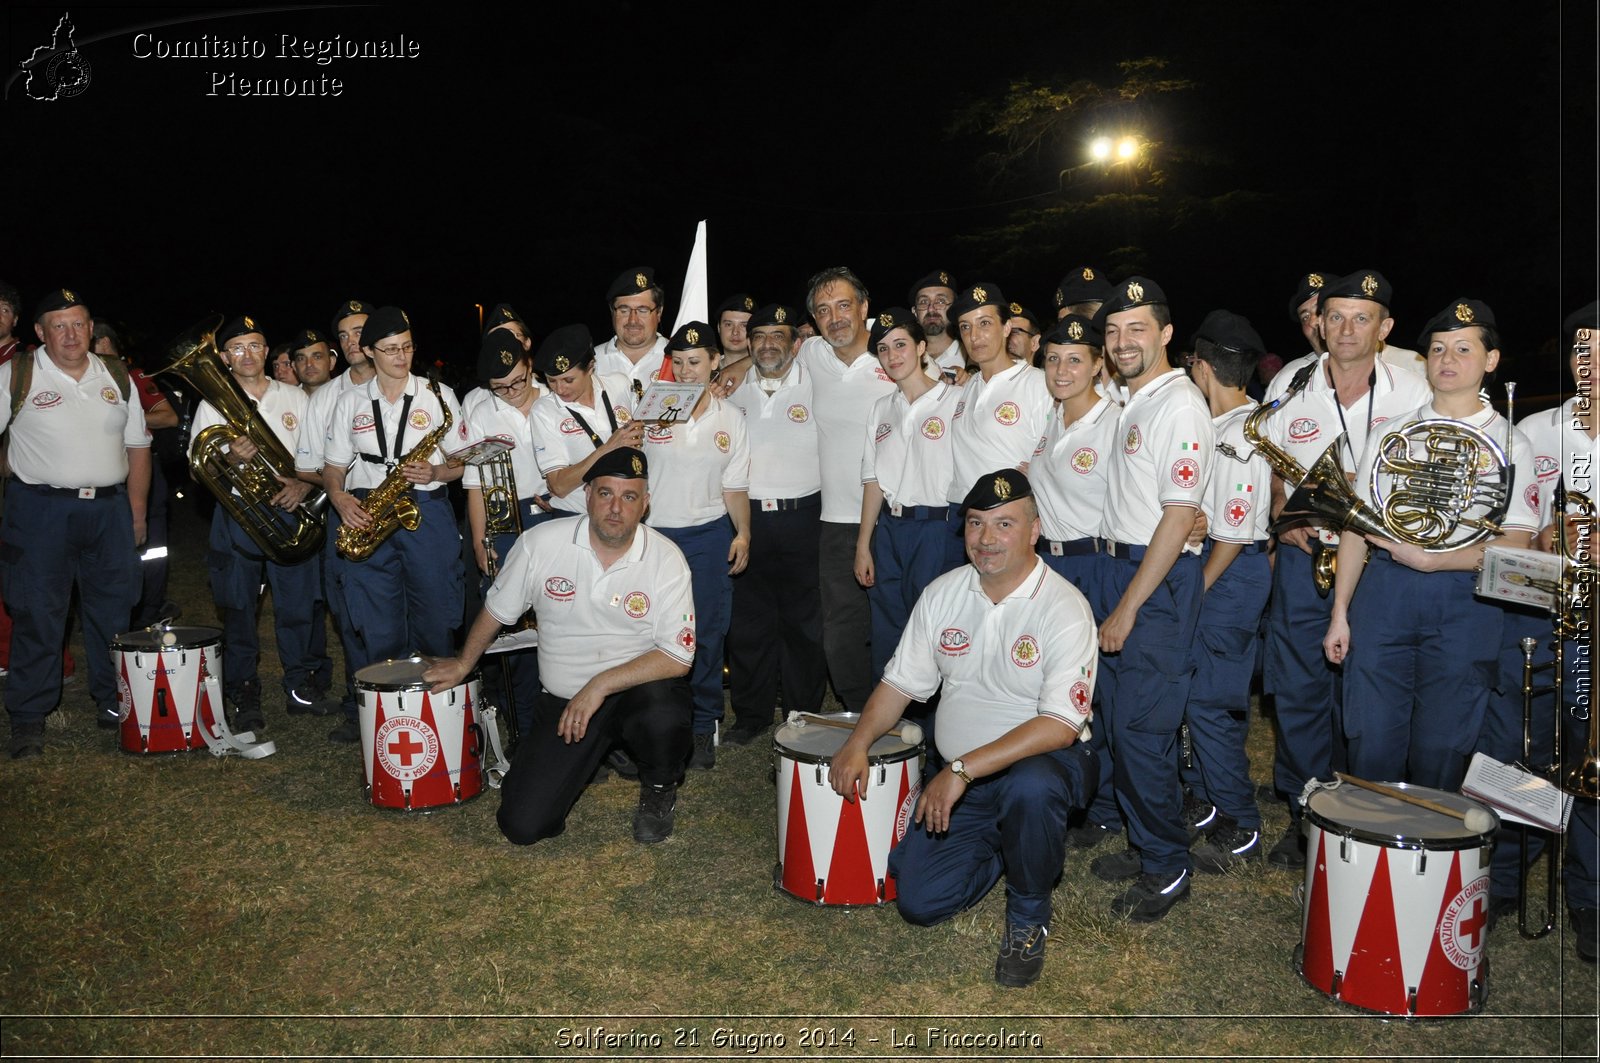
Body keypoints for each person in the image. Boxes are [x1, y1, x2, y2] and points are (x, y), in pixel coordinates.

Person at [829, 469, 1098, 988]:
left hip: (1045, 765)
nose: (987, 539)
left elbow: (1060, 726)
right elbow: (899, 685)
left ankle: (1027, 915)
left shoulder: (1064, 607)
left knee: (1031, 786)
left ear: (1034, 530)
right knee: (920, 903)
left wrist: (959, 769)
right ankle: (1008, 844)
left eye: (1004, 524)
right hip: (964, 781)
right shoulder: (943, 593)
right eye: (976, 524)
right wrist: (856, 743)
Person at [424, 447, 695, 845]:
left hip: (636, 694)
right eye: (606, 494)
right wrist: (465, 663)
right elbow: (497, 609)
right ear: (587, 495)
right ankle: (598, 753)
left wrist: (600, 684)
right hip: (565, 702)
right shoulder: (542, 543)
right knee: (522, 825)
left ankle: (658, 788)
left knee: (664, 714)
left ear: (646, 503)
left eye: (629, 496)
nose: (616, 508)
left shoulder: (666, 559)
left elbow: (678, 655)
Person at [1322, 298, 1538, 791]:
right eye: (1438, 348)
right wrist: (1340, 611)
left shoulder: (1511, 442)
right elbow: (1357, 528)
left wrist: (1433, 559)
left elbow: (1515, 544)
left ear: (1491, 361)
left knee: (1444, 743)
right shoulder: (1392, 434)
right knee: (1371, 735)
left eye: (1463, 349)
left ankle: (1431, 860)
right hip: (1384, 593)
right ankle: (1375, 853)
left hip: (1468, 597)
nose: (1446, 359)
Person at [1258, 270, 1431, 867]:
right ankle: (1306, 812)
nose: (1346, 329)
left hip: (1380, 562)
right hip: (1307, 558)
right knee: (1301, 689)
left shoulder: (1414, 390)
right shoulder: (1289, 382)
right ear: (1319, 324)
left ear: (1385, 328)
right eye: (1335, 316)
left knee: (1368, 694)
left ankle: (1362, 807)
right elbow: (1269, 471)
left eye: (1362, 317)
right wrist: (1284, 514)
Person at [1084, 277, 1214, 921]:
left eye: (1137, 328)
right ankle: (1144, 841)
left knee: (1143, 730)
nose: (1122, 341)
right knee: (1116, 720)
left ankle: (1165, 864)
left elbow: (1176, 515)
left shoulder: (1179, 406)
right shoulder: (1135, 400)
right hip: (1121, 569)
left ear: (1166, 334)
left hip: (1153, 584)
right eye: (1112, 331)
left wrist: (1129, 605)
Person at [1479, 299, 1598, 958]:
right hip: (1538, 615)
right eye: (1583, 350)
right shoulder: (1531, 429)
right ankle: (1504, 873)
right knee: (1520, 747)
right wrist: (1547, 538)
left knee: (1590, 758)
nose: (1592, 365)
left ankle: (1588, 893)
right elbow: (1504, 547)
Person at [1, 288, 150, 757]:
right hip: (40, 511)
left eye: (79, 323)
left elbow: (139, 448)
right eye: (59, 325)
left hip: (108, 512)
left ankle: (114, 703)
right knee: (38, 614)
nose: (70, 333)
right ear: (40, 332)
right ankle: (28, 717)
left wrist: (137, 512)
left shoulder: (117, 374)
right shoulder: (16, 375)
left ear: (92, 328)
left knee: (113, 613)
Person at [189, 314, 333, 731]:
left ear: (268, 352)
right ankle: (244, 690)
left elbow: (323, 458)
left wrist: (304, 488)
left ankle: (300, 686)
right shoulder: (211, 403)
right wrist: (230, 459)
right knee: (238, 609)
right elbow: (200, 469)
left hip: (289, 510)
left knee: (297, 606)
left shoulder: (296, 397)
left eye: (255, 346)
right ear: (223, 357)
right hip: (238, 513)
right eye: (237, 348)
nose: (247, 354)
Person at [323, 306, 466, 705]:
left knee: (436, 615)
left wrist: (437, 472)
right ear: (369, 351)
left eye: (406, 347)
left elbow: (460, 463)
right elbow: (333, 467)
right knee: (376, 621)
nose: (401, 357)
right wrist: (339, 497)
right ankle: (386, 710)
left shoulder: (438, 395)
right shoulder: (349, 401)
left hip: (427, 509)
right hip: (369, 509)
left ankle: (439, 710)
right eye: (390, 349)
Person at [1181, 310, 1274, 871]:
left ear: (1203, 366)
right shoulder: (1218, 424)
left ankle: (1241, 819)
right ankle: (1207, 801)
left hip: (1227, 573)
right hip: (1217, 564)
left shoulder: (1243, 432)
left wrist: (1197, 589)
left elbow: (1236, 531)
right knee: (1195, 696)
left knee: (1211, 703)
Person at [1029, 315, 1121, 849]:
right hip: (1050, 565)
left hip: (1094, 564)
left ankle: (1105, 805)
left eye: (1075, 359)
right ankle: (1067, 796)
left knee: (1096, 693)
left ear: (1097, 366)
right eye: (1053, 358)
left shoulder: (1115, 424)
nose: (1062, 370)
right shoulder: (1051, 418)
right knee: (1052, 689)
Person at [643, 321, 751, 769]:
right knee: (648, 632)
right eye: (680, 363)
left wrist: (743, 532)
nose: (686, 372)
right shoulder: (651, 409)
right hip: (654, 535)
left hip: (708, 534)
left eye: (696, 362)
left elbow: (735, 485)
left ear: (715, 363)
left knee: (706, 632)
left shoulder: (732, 419)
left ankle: (704, 725)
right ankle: (651, 724)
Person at [722, 304, 827, 743]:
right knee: (750, 622)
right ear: (749, 342)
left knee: (805, 622)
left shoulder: (819, 382)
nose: (768, 344)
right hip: (747, 519)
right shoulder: (728, 389)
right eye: (759, 335)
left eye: (778, 335)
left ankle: (802, 712)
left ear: (796, 342)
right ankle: (751, 714)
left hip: (805, 516)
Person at [800, 267, 895, 712]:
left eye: (843, 305)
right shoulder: (812, 353)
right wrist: (733, 367)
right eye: (822, 310)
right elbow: (770, 354)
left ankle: (905, 719)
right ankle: (861, 716)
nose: (834, 317)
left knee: (897, 622)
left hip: (897, 517)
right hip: (838, 519)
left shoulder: (894, 351)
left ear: (864, 308)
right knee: (840, 631)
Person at [854, 308, 963, 682]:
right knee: (887, 628)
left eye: (900, 345)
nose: (892, 355)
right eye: (883, 349)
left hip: (936, 529)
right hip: (889, 528)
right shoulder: (882, 409)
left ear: (920, 347)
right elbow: (872, 480)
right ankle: (891, 731)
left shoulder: (956, 402)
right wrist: (864, 544)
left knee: (934, 630)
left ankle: (933, 733)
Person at [460, 320, 554, 738]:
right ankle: (528, 728)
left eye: (520, 380)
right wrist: (482, 541)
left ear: (530, 364)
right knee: (514, 629)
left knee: (564, 622)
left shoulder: (555, 399)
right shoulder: (482, 412)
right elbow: (475, 483)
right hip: (505, 520)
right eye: (503, 387)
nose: (514, 392)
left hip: (558, 516)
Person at [296, 298, 378, 742]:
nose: (352, 342)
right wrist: (340, 486)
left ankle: (406, 694)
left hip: (395, 510)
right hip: (345, 511)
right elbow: (306, 465)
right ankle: (356, 702)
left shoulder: (407, 387)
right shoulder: (327, 397)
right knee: (348, 613)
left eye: (360, 330)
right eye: (343, 335)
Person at [93, 321, 179, 629]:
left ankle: (149, 609)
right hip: (106, 469)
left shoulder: (133, 376)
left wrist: (120, 418)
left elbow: (168, 416)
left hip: (144, 467)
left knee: (151, 548)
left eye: (95, 347)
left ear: (108, 344)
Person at [945, 283, 1053, 506]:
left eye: (984, 323)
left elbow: (1058, 451)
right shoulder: (968, 387)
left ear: (1006, 328)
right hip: (962, 513)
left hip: (1010, 510)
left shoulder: (1038, 384)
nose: (974, 336)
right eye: (965, 327)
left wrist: (1042, 474)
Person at [529, 324, 643, 515]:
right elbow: (558, 486)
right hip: (576, 515)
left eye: (568, 380)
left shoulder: (619, 383)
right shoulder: (544, 410)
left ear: (590, 367)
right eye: (551, 381)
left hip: (625, 512)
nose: (559, 389)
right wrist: (608, 448)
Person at [594, 267, 670, 396]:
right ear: (612, 312)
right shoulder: (593, 362)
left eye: (642, 310)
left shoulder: (677, 359)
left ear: (659, 313)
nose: (633, 320)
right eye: (624, 310)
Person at [908, 270, 963, 379]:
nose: (931, 308)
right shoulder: (903, 356)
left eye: (941, 301)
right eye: (923, 302)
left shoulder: (972, 357)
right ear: (915, 312)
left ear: (954, 309)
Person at [289, 328, 336, 396]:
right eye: (301, 359)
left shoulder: (348, 398)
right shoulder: (286, 402)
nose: (309, 364)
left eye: (317, 357)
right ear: (294, 366)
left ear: (332, 362)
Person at [716, 294, 755, 363]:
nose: (735, 332)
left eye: (744, 326)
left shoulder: (769, 372)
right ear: (719, 328)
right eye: (728, 324)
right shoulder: (705, 371)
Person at [1004, 302, 1043, 366]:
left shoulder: (1043, 376)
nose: (1006, 336)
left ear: (1034, 343)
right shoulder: (985, 375)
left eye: (1014, 332)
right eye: (1003, 331)